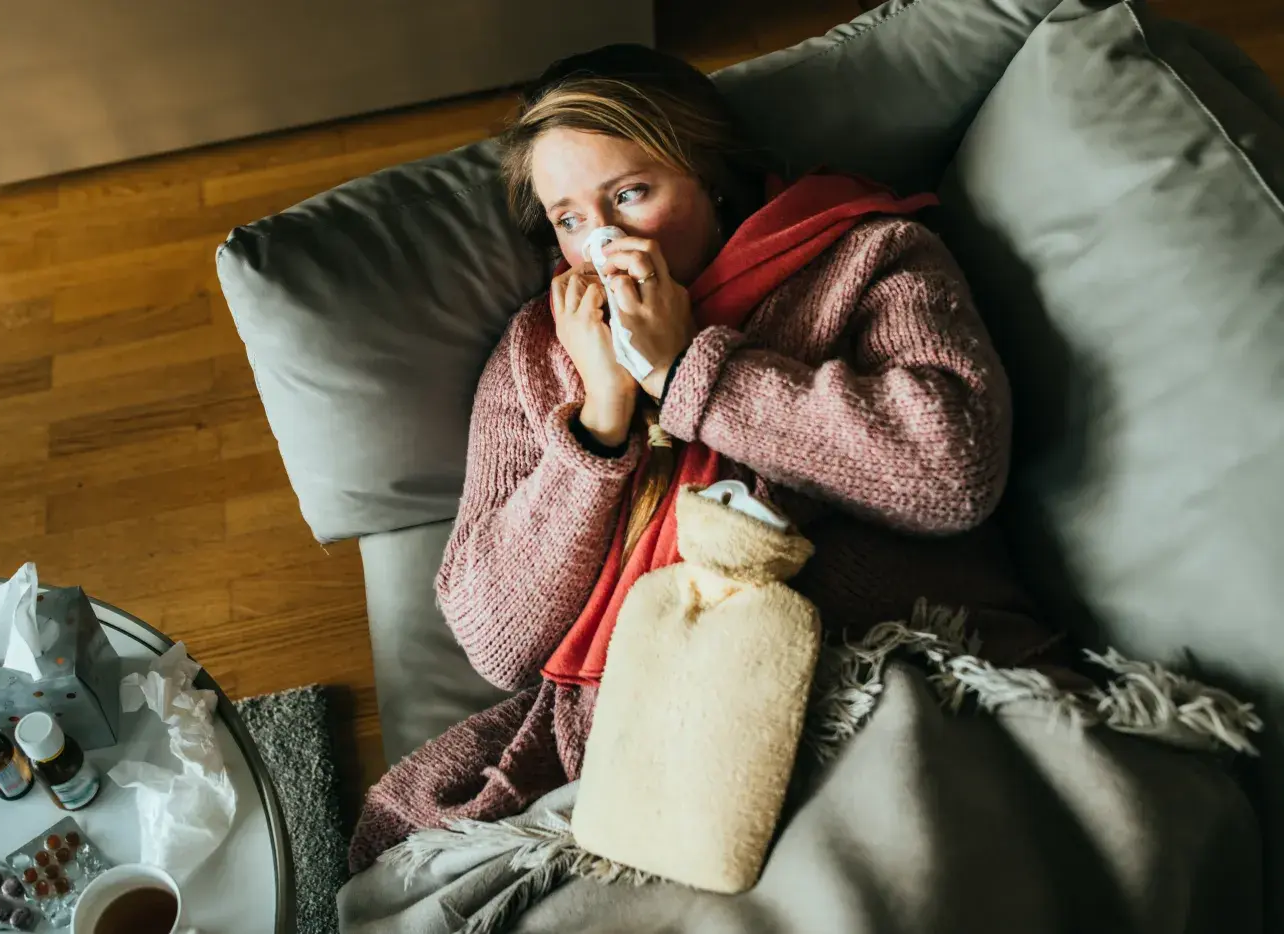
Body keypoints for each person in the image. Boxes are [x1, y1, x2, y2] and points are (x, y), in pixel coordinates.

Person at [347, 43, 1059, 873]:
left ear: (710, 175)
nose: (601, 241)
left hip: (871, 672)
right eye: (570, 218)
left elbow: (951, 474)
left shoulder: (866, 257)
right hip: (639, 733)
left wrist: (689, 372)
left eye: (632, 194)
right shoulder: (540, 352)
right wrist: (602, 423)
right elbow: (495, 639)